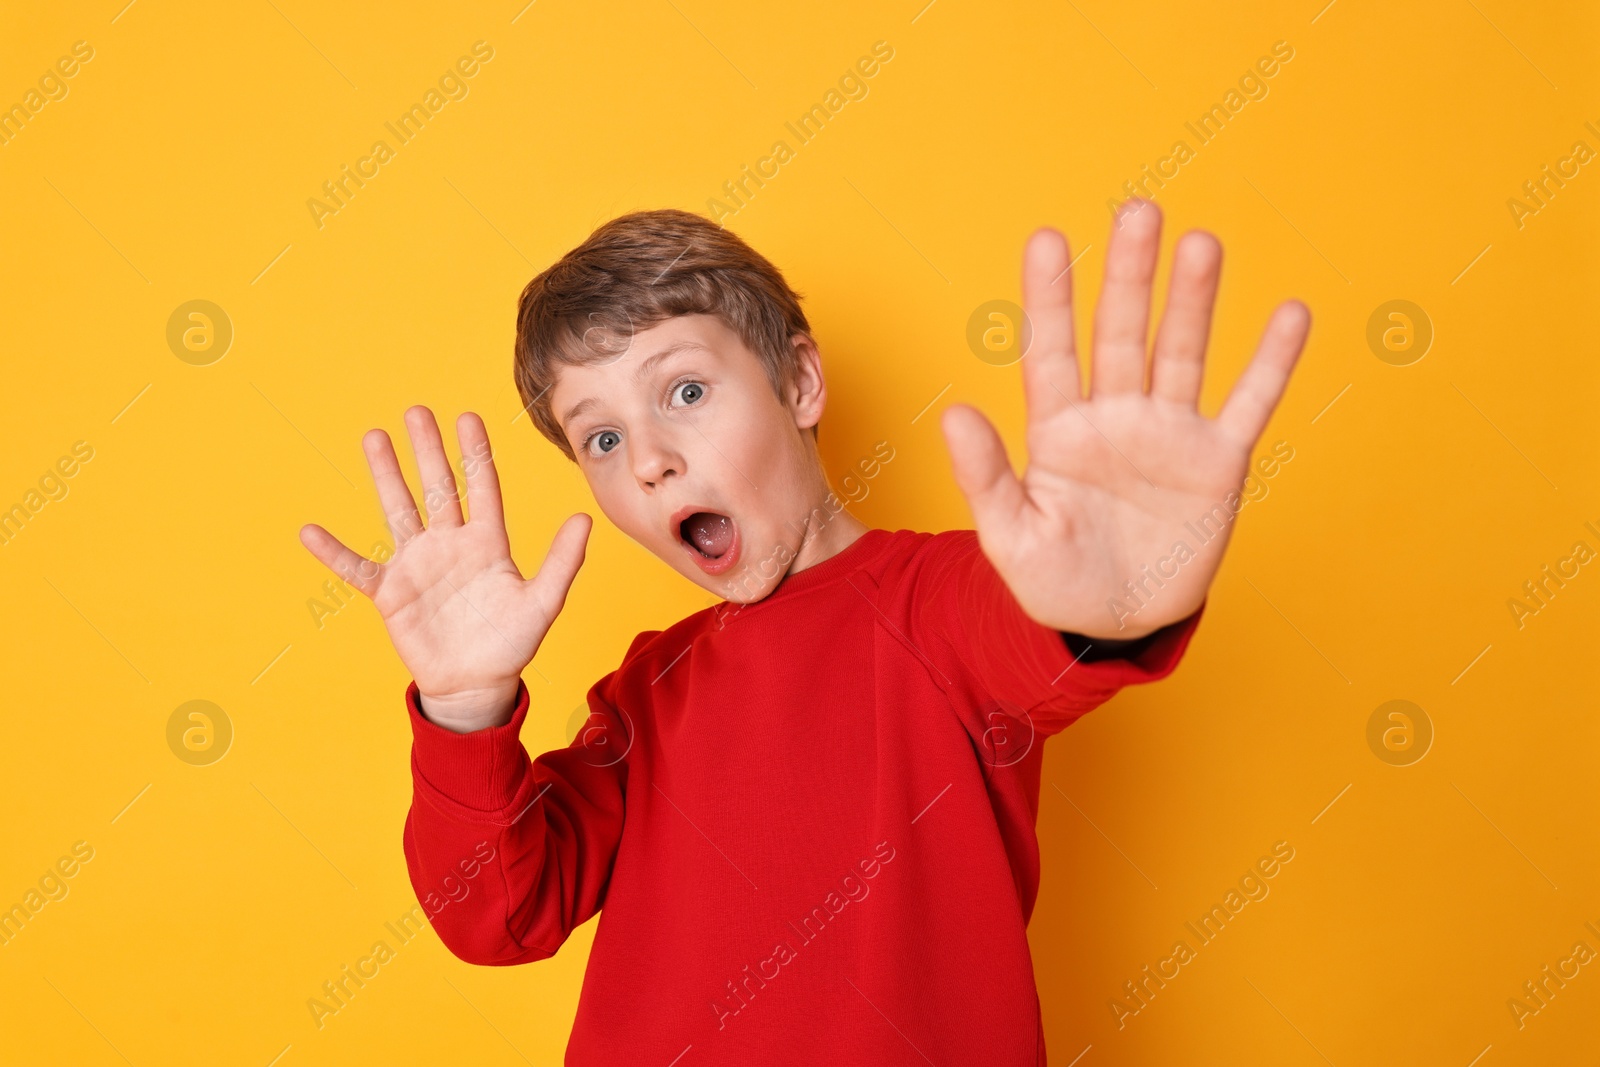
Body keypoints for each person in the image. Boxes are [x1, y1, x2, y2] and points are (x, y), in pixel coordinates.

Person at [297, 198, 1310, 1064]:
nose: (649, 458)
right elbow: (497, 913)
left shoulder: (933, 598)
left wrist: (1111, 594)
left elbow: (1030, 639)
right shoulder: (652, 686)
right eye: (601, 436)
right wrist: (464, 709)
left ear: (801, 382)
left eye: (684, 390)